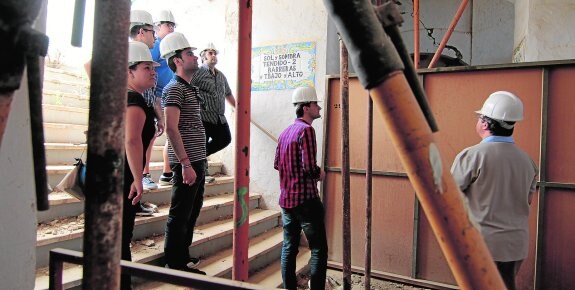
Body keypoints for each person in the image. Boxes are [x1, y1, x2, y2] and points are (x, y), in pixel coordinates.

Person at [450, 91, 538, 290]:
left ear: (485, 123)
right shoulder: (528, 162)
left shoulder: (472, 156)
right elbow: (528, 199)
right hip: (516, 244)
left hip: (483, 243)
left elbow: (449, 199)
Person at [160, 32, 207, 275]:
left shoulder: (189, 88)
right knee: (180, 213)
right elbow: (170, 127)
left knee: (192, 210)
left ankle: (182, 255)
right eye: (190, 54)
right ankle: (174, 261)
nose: (196, 57)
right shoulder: (174, 89)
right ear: (177, 60)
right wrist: (185, 163)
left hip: (198, 160)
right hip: (187, 162)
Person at [274, 87, 327, 290]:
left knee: (289, 247)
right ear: (306, 108)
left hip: (286, 201)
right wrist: (319, 173)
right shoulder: (306, 131)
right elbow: (309, 167)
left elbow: (277, 164)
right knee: (318, 249)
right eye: (315, 104)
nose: (319, 107)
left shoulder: (285, 132)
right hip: (306, 202)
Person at [122, 41, 159, 289]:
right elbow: (132, 140)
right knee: (121, 236)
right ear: (129, 71)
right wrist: (138, 178)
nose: (153, 72)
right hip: (123, 178)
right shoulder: (133, 100)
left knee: (119, 236)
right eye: (147, 67)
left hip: (118, 175)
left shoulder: (125, 97)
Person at [191, 42, 236, 183]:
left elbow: (228, 93)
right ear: (204, 57)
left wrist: (238, 109)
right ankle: (202, 171)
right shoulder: (197, 73)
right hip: (203, 116)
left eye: (215, 53)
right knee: (201, 143)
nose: (214, 55)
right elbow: (189, 88)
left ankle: (200, 157)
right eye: (211, 53)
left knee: (225, 139)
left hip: (218, 117)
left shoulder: (221, 75)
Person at [151, 10, 177, 186]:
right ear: (158, 27)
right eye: (168, 25)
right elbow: (149, 69)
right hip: (155, 95)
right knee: (150, 135)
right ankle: (145, 174)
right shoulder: (155, 45)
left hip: (166, 95)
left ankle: (167, 173)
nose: (172, 29)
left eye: (173, 26)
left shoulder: (168, 47)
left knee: (170, 133)